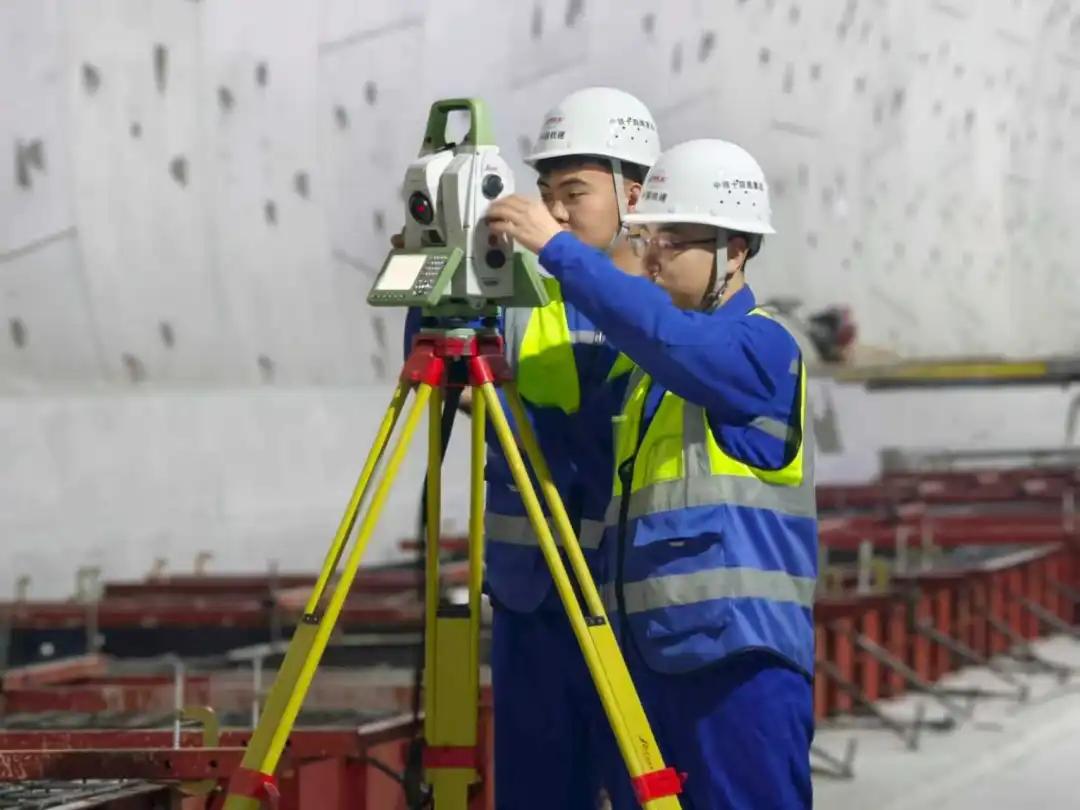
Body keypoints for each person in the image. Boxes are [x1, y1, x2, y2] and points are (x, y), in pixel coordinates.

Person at [487, 139, 817, 810]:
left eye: (675, 237)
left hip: (735, 668)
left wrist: (558, 249)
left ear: (736, 247)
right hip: (645, 666)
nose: (654, 253)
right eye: (650, 236)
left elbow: (675, 342)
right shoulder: (640, 379)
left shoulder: (762, 347)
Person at [403, 87, 661, 809]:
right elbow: (432, 361)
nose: (555, 210)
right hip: (531, 600)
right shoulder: (525, 295)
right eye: (546, 192)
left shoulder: (665, 314)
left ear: (632, 195)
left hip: (628, 601)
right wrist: (439, 271)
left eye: (574, 191)